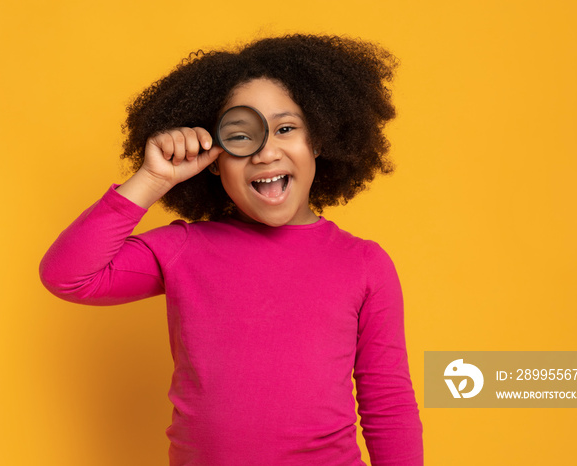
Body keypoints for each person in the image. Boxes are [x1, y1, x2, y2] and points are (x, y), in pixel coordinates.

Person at [40, 34, 423, 465]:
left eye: (285, 129)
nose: (265, 152)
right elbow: (69, 276)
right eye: (241, 138)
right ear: (214, 158)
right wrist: (152, 179)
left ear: (316, 139)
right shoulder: (184, 248)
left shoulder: (364, 264)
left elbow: (388, 404)